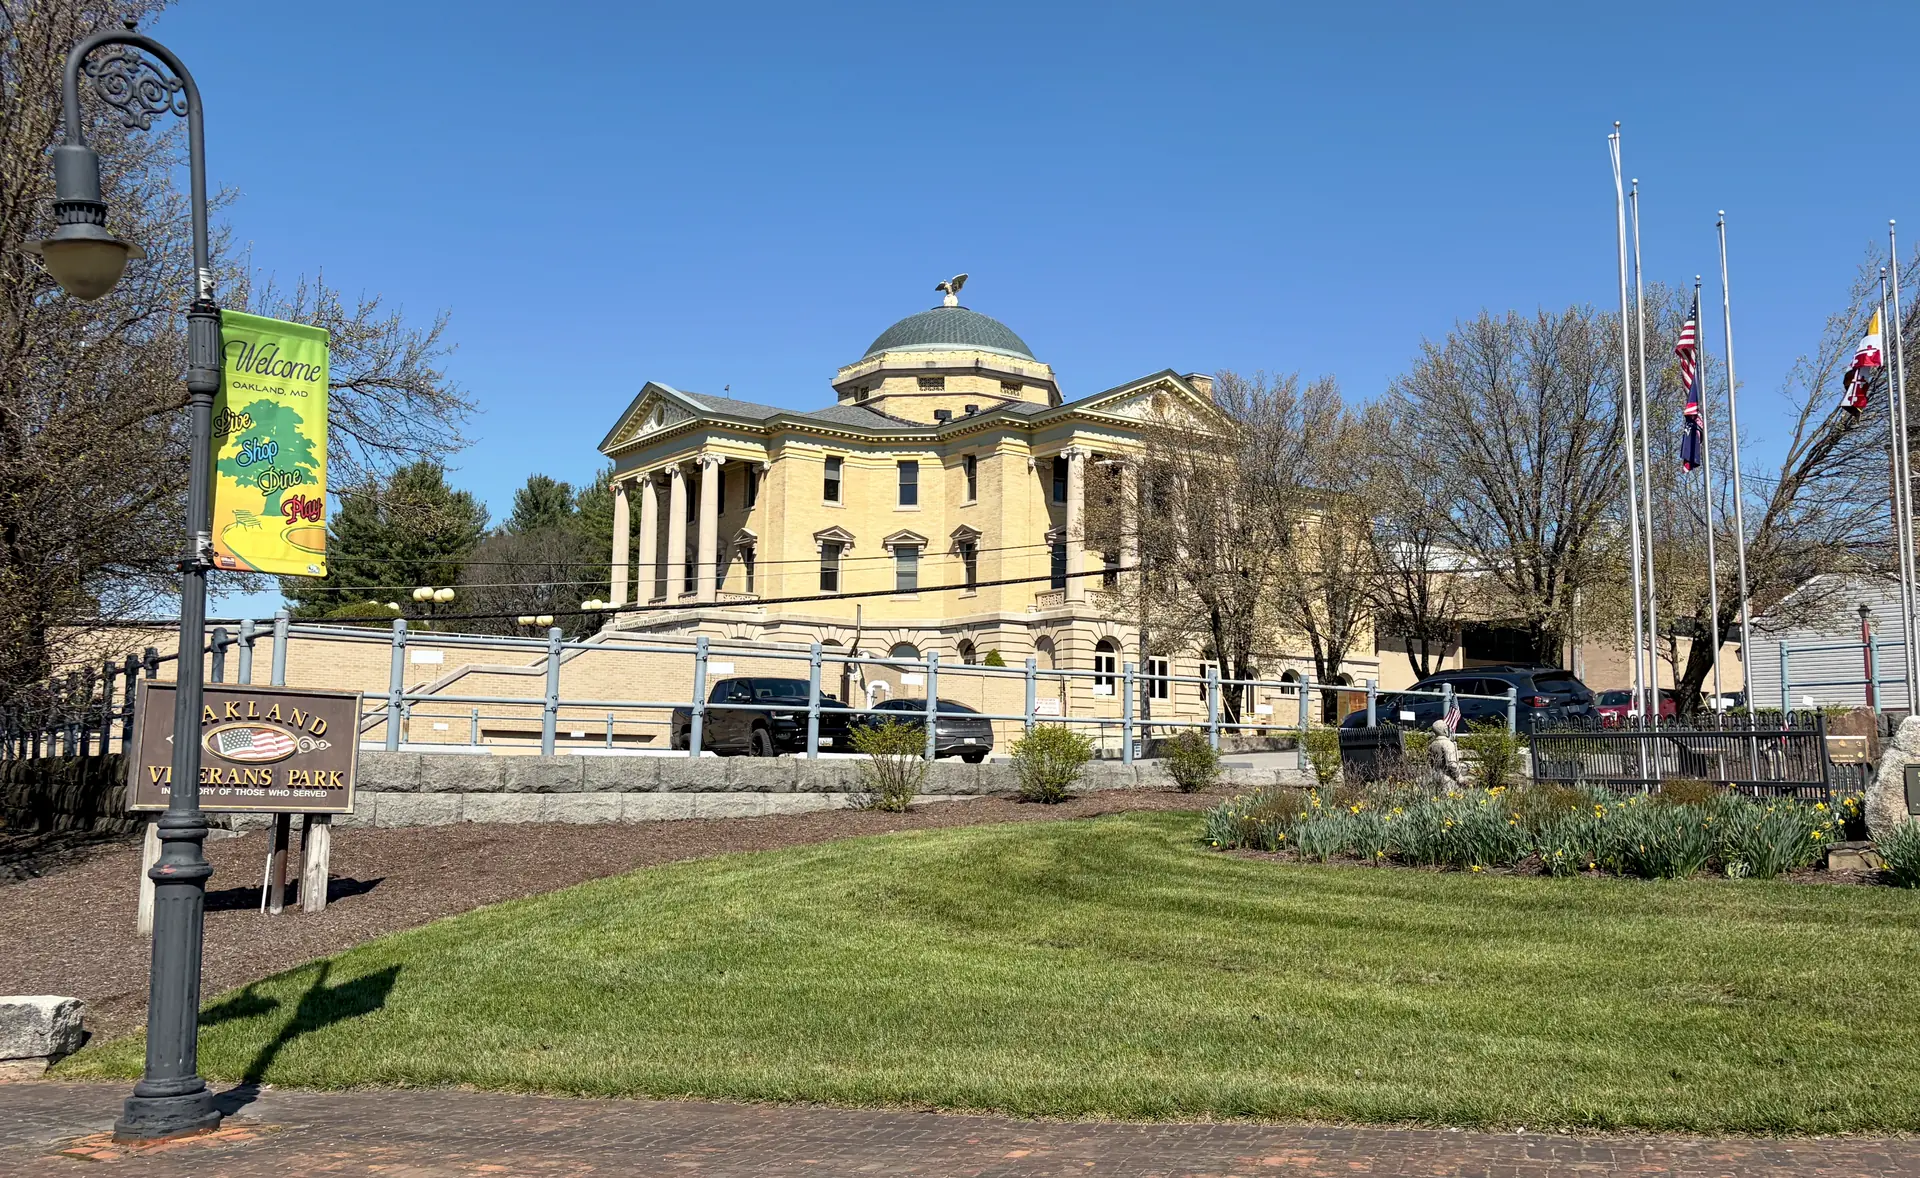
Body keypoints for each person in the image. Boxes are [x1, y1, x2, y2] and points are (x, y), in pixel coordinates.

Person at [1426, 718, 1465, 794]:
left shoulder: (1431, 745)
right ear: (1444, 730)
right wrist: (1459, 777)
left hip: (1435, 777)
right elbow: (1451, 764)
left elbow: (1430, 763)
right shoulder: (1448, 744)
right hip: (1448, 779)